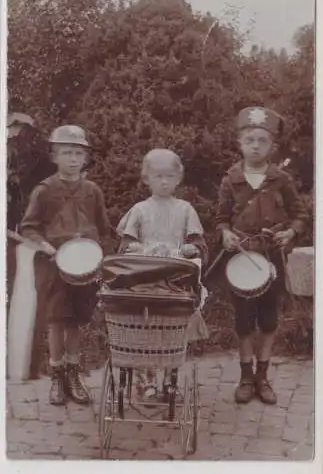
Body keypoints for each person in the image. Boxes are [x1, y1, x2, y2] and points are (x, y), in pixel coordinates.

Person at [215, 107, 307, 405]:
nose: (256, 145)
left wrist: (291, 233)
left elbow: (300, 214)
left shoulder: (281, 180)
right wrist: (225, 234)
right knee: (243, 321)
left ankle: (263, 378)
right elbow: (221, 218)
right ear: (240, 143)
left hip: (272, 259)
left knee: (268, 321)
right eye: (250, 139)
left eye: (262, 140)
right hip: (241, 260)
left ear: (272, 146)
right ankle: (245, 377)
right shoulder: (230, 180)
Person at [20, 125, 112, 406]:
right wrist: (44, 245)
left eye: (78, 153)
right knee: (56, 321)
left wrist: (100, 256)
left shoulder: (92, 191)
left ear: (85, 158)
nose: (73, 158)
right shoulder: (44, 191)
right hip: (54, 267)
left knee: (76, 323)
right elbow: (28, 228)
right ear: (54, 156)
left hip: (85, 268)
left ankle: (74, 374)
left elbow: (104, 229)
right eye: (67, 153)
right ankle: (57, 375)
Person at [117, 148, 208, 400]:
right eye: (158, 176)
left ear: (179, 178)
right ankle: (145, 379)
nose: (164, 182)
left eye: (169, 176)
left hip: (174, 280)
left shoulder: (185, 209)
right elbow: (125, 246)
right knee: (145, 327)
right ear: (147, 179)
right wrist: (143, 249)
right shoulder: (140, 210)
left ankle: (170, 379)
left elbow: (199, 245)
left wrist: (186, 249)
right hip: (145, 280)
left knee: (172, 328)